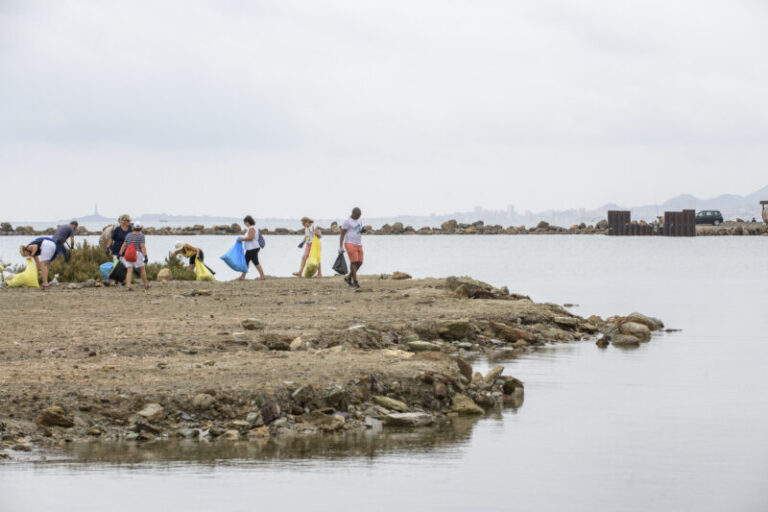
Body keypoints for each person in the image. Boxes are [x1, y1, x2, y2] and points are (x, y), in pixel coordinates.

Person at [118, 221, 150, 291]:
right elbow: (142, 246)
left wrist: (120, 254)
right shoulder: (141, 236)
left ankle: (128, 286)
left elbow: (124, 245)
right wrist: (145, 256)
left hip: (129, 253)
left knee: (129, 270)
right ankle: (146, 285)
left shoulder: (128, 235)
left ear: (133, 227)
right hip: (137, 254)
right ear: (141, 228)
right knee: (142, 269)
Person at [339, 207, 364, 288]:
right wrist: (340, 246)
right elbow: (342, 234)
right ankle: (355, 281)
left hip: (359, 243)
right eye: (357, 215)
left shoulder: (359, 220)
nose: (358, 217)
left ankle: (348, 277)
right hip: (349, 243)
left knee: (360, 262)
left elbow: (358, 231)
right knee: (354, 262)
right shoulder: (347, 221)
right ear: (353, 213)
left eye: (359, 215)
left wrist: (363, 231)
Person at [237, 215, 265, 281]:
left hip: (253, 248)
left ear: (247, 222)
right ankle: (242, 276)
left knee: (255, 262)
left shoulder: (252, 228)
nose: (244, 224)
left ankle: (262, 276)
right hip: (250, 248)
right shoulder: (252, 228)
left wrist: (241, 239)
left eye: (245, 222)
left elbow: (251, 238)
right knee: (246, 262)